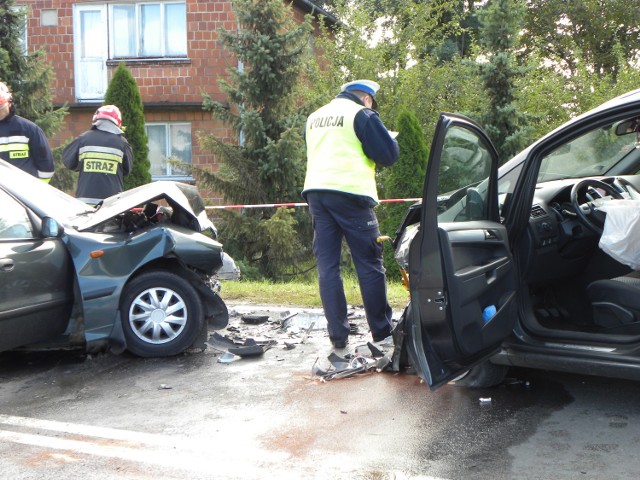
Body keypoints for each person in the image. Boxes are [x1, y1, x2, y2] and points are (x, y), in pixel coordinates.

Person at [303, 79, 399, 349]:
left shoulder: (314, 117)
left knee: (328, 267)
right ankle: (382, 332)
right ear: (367, 99)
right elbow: (388, 155)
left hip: (316, 195)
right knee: (369, 263)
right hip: (351, 194)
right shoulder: (361, 115)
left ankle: (338, 335)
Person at [63, 105, 133, 205]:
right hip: (111, 206)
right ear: (117, 122)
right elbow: (126, 170)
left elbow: (68, 162)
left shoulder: (83, 139)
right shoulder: (122, 144)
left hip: (85, 206)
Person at [0, 81, 55, 182]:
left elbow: (46, 169)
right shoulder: (30, 129)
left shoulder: (29, 130)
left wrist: (35, 190)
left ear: (10, 101)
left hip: (25, 193)